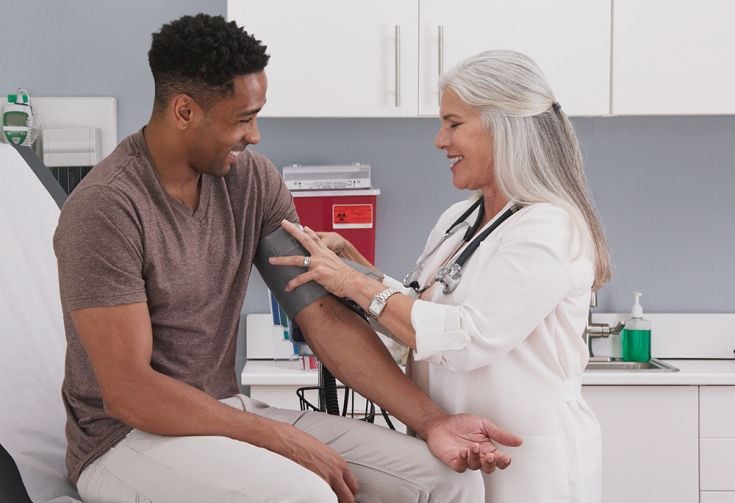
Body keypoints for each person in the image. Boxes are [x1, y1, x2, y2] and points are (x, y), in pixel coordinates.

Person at [53, 15, 523, 503]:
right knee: (305, 494)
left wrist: (433, 422)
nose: (254, 135)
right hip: (122, 440)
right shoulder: (106, 208)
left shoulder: (251, 182)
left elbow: (324, 318)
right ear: (185, 111)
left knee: (447, 479)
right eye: (241, 119)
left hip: (221, 410)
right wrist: (280, 439)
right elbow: (129, 391)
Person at [271, 49, 611, 503]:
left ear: (503, 127)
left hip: (528, 460)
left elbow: (468, 338)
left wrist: (354, 283)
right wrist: (353, 265)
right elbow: (423, 312)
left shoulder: (549, 227)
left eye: (453, 124)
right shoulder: (460, 219)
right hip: (455, 449)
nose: (439, 140)